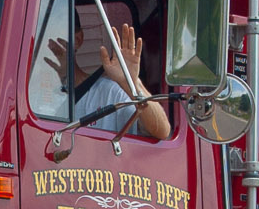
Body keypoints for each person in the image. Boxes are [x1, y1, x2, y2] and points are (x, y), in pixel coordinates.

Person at [44, 21, 172, 140]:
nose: (46, 45)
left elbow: (161, 131)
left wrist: (131, 83)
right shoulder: (31, 101)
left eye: (52, 34)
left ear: (76, 39)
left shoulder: (110, 93)